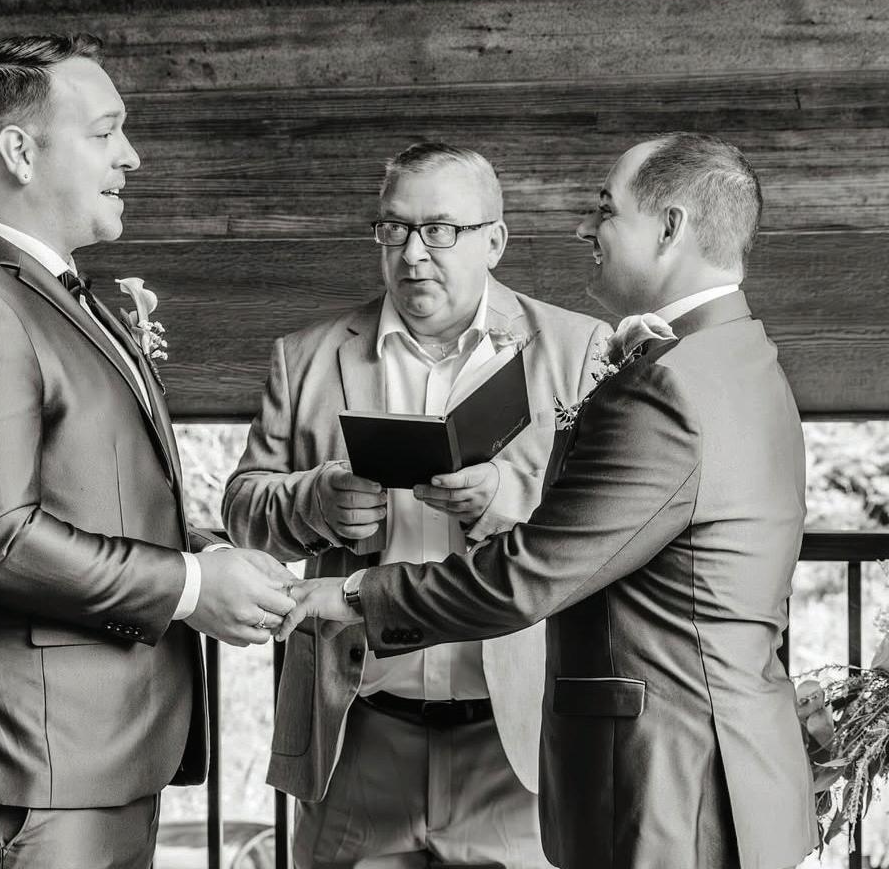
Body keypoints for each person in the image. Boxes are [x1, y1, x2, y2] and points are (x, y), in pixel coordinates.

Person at [277, 133, 816, 869]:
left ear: (670, 228)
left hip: (671, 778)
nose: (585, 228)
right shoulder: (734, 352)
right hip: (727, 757)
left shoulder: (667, 384)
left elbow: (530, 574)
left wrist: (354, 594)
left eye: (606, 210)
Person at [0, 34, 297, 869]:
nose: (131, 157)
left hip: (94, 752)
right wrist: (188, 588)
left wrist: (207, 556)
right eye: (105, 132)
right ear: (20, 151)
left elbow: (89, 494)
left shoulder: (47, 293)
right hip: (32, 758)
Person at [225, 142, 611, 868]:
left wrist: (505, 498)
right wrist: (315, 502)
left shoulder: (579, 349)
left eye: (439, 230)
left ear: (494, 241)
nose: (411, 253)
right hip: (356, 737)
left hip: (518, 742)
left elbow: (610, 524)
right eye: (394, 228)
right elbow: (243, 508)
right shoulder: (305, 356)